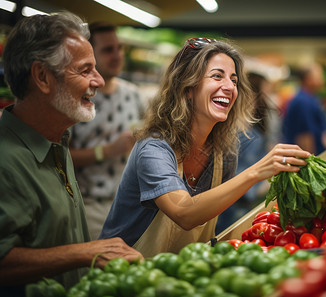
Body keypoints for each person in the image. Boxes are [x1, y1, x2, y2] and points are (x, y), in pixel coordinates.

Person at [99, 38, 310, 257]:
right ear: (188, 87)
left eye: (234, 80)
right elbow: (184, 212)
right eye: (217, 76)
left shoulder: (224, 154)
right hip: (120, 275)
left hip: (181, 276)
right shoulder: (154, 148)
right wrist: (256, 172)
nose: (229, 87)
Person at [0, 12, 143, 297]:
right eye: (85, 69)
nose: (99, 81)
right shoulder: (5, 158)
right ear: (42, 77)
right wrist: (86, 252)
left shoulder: (57, 138)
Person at [69, 21, 143, 239]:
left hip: (129, 202)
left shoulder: (133, 93)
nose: (117, 55)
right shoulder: (76, 98)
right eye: (108, 50)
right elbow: (60, 155)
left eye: (119, 48)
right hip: (90, 204)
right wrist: (107, 150)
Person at [216, 72, 282, 234]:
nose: (265, 100)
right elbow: (239, 176)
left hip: (242, 203)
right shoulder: (237, 133)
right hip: (234, 207)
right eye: (263, 94)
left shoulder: (253, 131)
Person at [282, 63, 326, 154]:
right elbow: (304, 137)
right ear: (308, 79)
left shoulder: (311, 98)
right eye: (319, 76)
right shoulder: (303, 102)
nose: (323, 80)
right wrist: (310, 162)